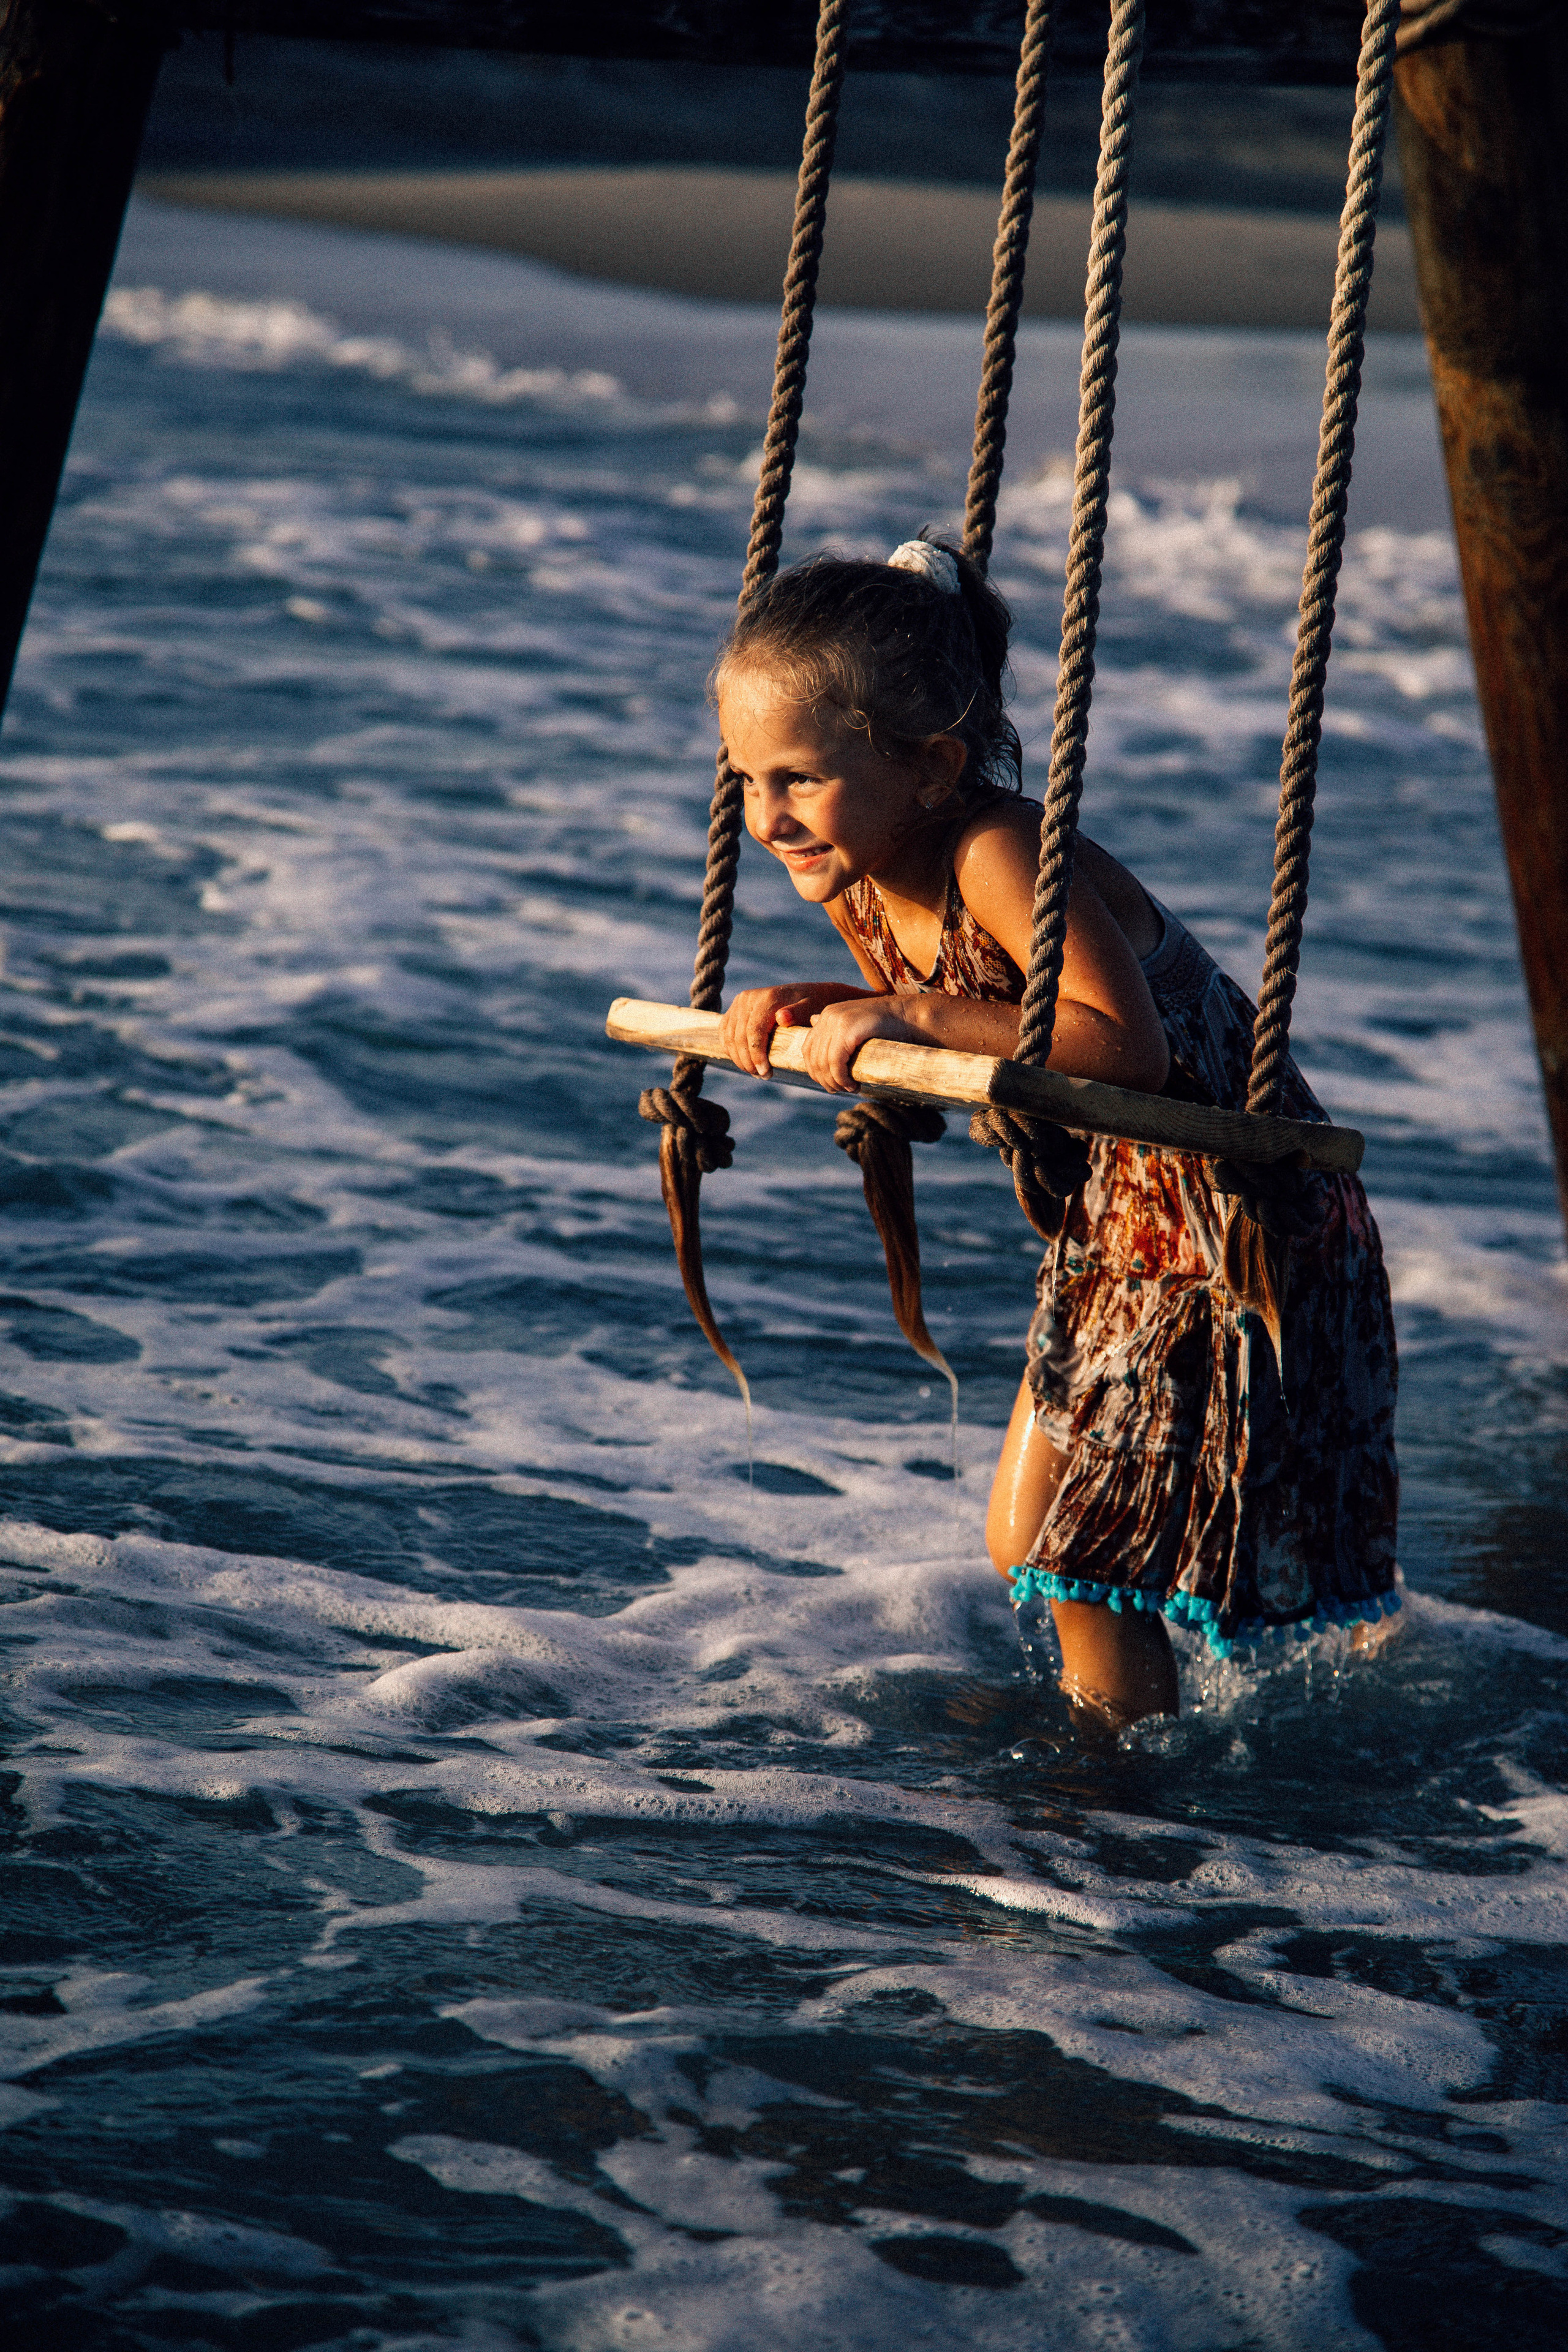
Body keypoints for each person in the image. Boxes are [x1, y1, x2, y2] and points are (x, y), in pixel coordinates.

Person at [714, 537, 1399, 1729]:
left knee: (1082, 1561)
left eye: (799, 780)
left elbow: (1119, 1046)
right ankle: (1126, 1753)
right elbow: (957, 1019)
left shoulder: (995, 850)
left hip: (1239, 1214)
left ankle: (1105, 1788)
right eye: (745, 780)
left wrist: (908, 1013)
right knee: (1030, 1541)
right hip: (1126, 1223)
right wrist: (826, 1011)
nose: (767, 818)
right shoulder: (860, 873)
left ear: (934, 767)